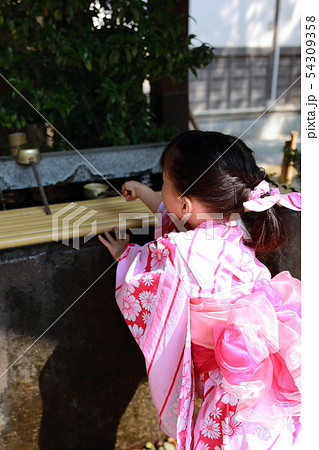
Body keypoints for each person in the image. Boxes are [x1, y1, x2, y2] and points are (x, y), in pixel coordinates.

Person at [98, 130, 301, 449]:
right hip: (262, 373)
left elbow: (142, 279)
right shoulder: (234, 225)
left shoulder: (179, 252)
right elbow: (175, 213)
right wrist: (142, 191)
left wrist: (125, 255)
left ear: (184, 202)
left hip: (228, 383)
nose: (162, 189)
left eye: (164, 182)